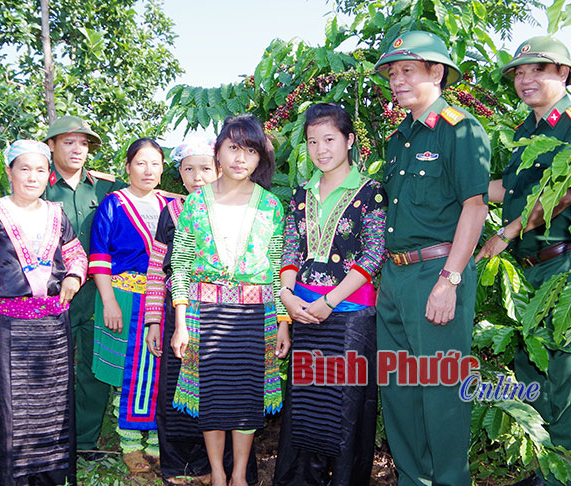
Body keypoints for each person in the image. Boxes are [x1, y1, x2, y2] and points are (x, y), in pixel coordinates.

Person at [476, 36, 571, 486]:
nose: (525, 79)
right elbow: (507, 191)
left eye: (538, 70)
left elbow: (565, 191)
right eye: (519, 72)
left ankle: (570, 473)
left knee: (569, 371)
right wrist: (455, 187)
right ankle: (548, 467)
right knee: (536, 368)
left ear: (564, 74)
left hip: (566, 263)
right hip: (531, 268)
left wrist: (505, 233)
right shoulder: (528, 132)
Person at [373, 31, 490, 485]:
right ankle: (412, 479)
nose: (397, 80)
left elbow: (474, 206)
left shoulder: (460, 127)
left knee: (441, 392)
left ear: (436, 72)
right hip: (396, 276)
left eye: (408, 70)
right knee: (399, 390)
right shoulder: (400, 137)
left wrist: (451, 279)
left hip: (437, 273)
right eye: (392, 73)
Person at [170, 114, 291, 486]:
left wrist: (283, 321)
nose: (241, 158)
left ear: (260, 159)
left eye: (250, 151)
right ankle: (218, 475)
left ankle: (240, 475)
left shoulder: (271, 206)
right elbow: (181, 265)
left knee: (248, 398)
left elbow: (277, 268)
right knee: (211, 398)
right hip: (203, 313)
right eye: (233, 148)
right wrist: (180, 322)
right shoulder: (194, 204)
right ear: (218, 152)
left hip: (258, 316)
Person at [273, 102, 387, 486]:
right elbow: (291, 250)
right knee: (306, 406)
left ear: (349, 140)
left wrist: (331, 300)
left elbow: (374, 253)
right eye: (312, 141)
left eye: (329, 139)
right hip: (304, 310)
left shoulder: (370, 191)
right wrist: (287, 300)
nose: (321, 149)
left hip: (351, 314)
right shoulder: (301, 194)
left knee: (346, 406)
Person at [0, 140, 87, 486]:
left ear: (49, 175)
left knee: (53, 408)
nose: (32, 176)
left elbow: (77, 255)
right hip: (8, 325)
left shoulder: (56, 213)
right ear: (9, 172)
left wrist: (75, 276)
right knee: (12, 409)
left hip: (52, 326)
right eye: (24, 168)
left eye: (39, 169)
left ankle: (50, 477)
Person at [42, 115, 126, 459]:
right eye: (68, 142)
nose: (78, 150)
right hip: (50, 293)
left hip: (96, 293)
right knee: (48, 369)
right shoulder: (36, 184)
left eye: (83, 144)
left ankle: (86, 443)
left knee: (93, 369)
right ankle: (49, 441)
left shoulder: (107, 188)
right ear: (51, 146)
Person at [88, 138, 169, 473]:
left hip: (161, 298)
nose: (148, 170)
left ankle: (155, 441)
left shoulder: (172, 206)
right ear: (127, 167)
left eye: (155, 163)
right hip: (122, 294)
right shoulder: (114, 204)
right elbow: (100, 255)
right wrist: (109, 301)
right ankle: (130, 443)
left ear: (164, 168)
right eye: (140, 163)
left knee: (159, 370)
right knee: (128, 372)